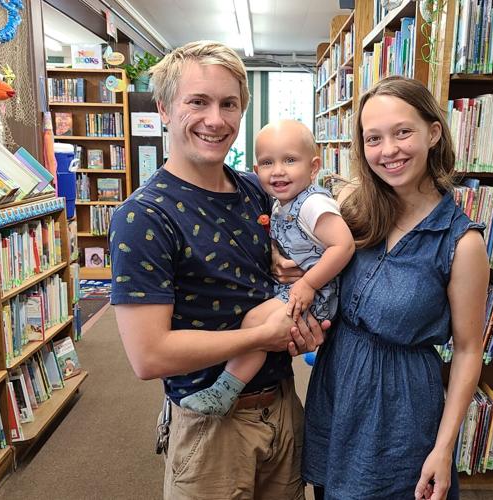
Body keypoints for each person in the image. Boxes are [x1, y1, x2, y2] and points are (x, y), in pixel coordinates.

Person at [109, 41, 327, 499]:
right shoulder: (143, 216)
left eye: (229, 104)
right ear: (165, 109)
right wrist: (260, 338)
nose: (216, 119)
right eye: (198, 102)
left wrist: (296, 288)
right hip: (211, 428)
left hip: (284, 407)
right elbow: (148, 356)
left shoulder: (257, 190)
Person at [301, 76, 489, 499]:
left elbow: (467, 349)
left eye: (403, 132)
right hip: (337, 387)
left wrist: (444, 448)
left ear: (433, 132)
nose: (388, 151)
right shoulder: (353, 212)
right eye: (373, 138)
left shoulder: (461, 243)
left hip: (398, 409)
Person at [180, 119, 355, 416]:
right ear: (256, 170)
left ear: (313, 168)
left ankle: (225, 390)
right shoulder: (279, 203)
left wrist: (308, 284)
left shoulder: (312, 204)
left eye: (290, 160)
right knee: (255, 322)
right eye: (267, 162)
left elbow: (344, 246)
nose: (278, 170)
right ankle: (226, 388)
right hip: (294, 290)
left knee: (255, 324)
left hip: (315, 296)